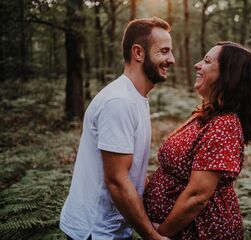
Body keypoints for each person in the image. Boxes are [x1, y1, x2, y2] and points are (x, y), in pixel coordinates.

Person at [60, 17, 175, 240]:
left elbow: (133, 174)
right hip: (94, 232)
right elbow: (117, 181)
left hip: (113, 230)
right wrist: (152, 236)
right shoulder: (119, 102)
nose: (171, 59)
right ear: (138, 53)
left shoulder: (136, 97)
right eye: (164, 51)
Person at [143, 41, 251, 240]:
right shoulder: (208, 115)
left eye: (207, 61)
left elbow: (197, 196)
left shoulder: (224, 124)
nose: (197, 65)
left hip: (200, 231)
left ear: (228, 75)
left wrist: (160, 234)